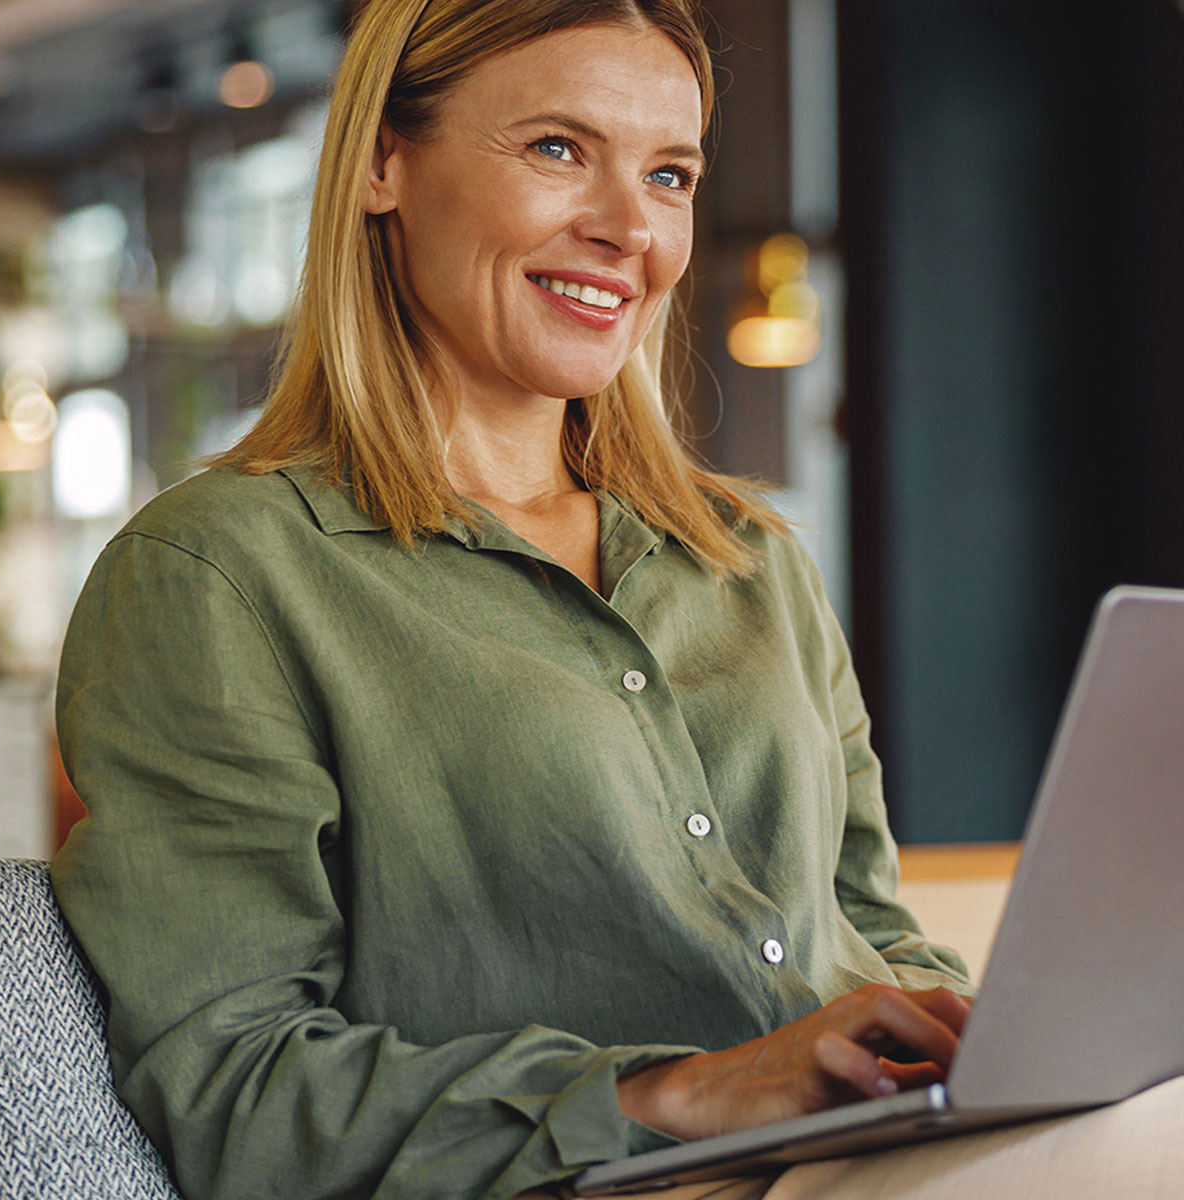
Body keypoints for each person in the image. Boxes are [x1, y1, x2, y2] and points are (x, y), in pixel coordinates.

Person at [50, 2, 975, 1198]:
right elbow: (236, 1090)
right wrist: (681, 1094)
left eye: (670, 174)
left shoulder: (749, 560)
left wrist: (969, 1041)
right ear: (384, 162)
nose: (629, 228)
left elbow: (870, 934)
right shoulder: (217, 576)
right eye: (557, 148)